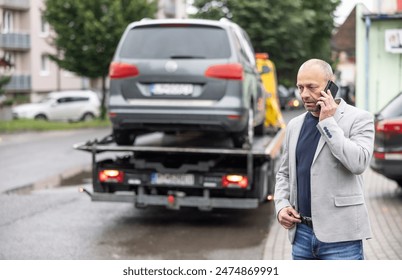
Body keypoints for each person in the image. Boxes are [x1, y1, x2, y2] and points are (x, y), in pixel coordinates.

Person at [274, 58, 374, 260]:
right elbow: (284, 173)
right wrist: (282, 205)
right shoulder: (294, 125)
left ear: (330, 85)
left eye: (311, 87)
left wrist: (328, 123)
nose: (304, 94)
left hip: (342, 239)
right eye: (300, 87)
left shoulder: (359, 119)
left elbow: (359, 163)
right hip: (301, 236)